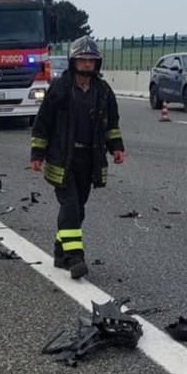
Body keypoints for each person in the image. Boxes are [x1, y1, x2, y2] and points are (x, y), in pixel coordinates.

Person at [30, 36, 125, 279]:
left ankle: (60, 251)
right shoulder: (60, 88)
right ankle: (75, 258)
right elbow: (43, 123)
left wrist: (116, 147)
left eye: (91, 60)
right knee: (70, 205)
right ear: (74, 62)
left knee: (78, 209)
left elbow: (111, 123)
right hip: (62, 157)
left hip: (89, 158)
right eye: (82, 59)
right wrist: (37, 153)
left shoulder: (103, 91)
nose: (87, 64)